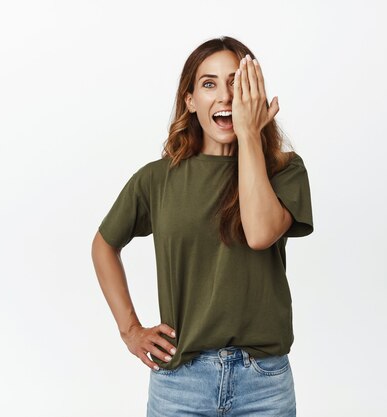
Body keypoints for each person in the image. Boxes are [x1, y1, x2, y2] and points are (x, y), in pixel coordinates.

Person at [91, 36, 313, 417]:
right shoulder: (157, 179)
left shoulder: (284, 170)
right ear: (190, 101)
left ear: (254, 95)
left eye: (236, 83)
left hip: (263, 383)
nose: (225, 96)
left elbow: (259, 234)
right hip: (180, 382)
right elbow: (104, 245)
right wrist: (131, 330)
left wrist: (248, 136)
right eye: (209, 83)